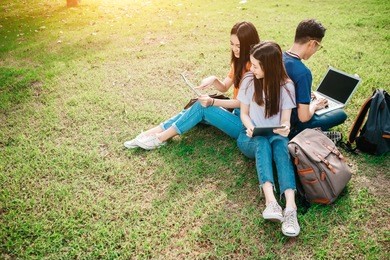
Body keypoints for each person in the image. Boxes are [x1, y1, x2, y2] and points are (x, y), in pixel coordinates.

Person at [124, 21, 260, 150]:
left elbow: (242, 104)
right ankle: (150, 133)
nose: (234, 49)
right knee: (191, 109)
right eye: (232, 44)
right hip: (236, 114)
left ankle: (160, 139)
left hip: (245, 124)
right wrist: (213, 79)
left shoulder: (255, 68)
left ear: (249, 46)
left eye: (239, 46)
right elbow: (224, 87)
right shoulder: (239, 61)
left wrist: (212, 102)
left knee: (202, 107)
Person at [236, 41, 300, 237]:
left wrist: (285, 128)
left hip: (276, 136)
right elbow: (244, 113)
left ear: (269, 66)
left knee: (281, 146)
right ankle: (271, 202)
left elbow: (285, 121)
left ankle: (290, 208)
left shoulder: (286, 86)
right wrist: (250, 127)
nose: (251, 68)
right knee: (262, 142)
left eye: (256, 65)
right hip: (250, 136)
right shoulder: (248, 80)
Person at [283, 19, 347, 140]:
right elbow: (304, 117)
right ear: (312, 43)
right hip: (293, 126)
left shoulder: (278, 56)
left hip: (274, 119)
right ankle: (308, 135)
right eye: (318, 46)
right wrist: (315, 105)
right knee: (341, 114)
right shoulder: (303, 73)